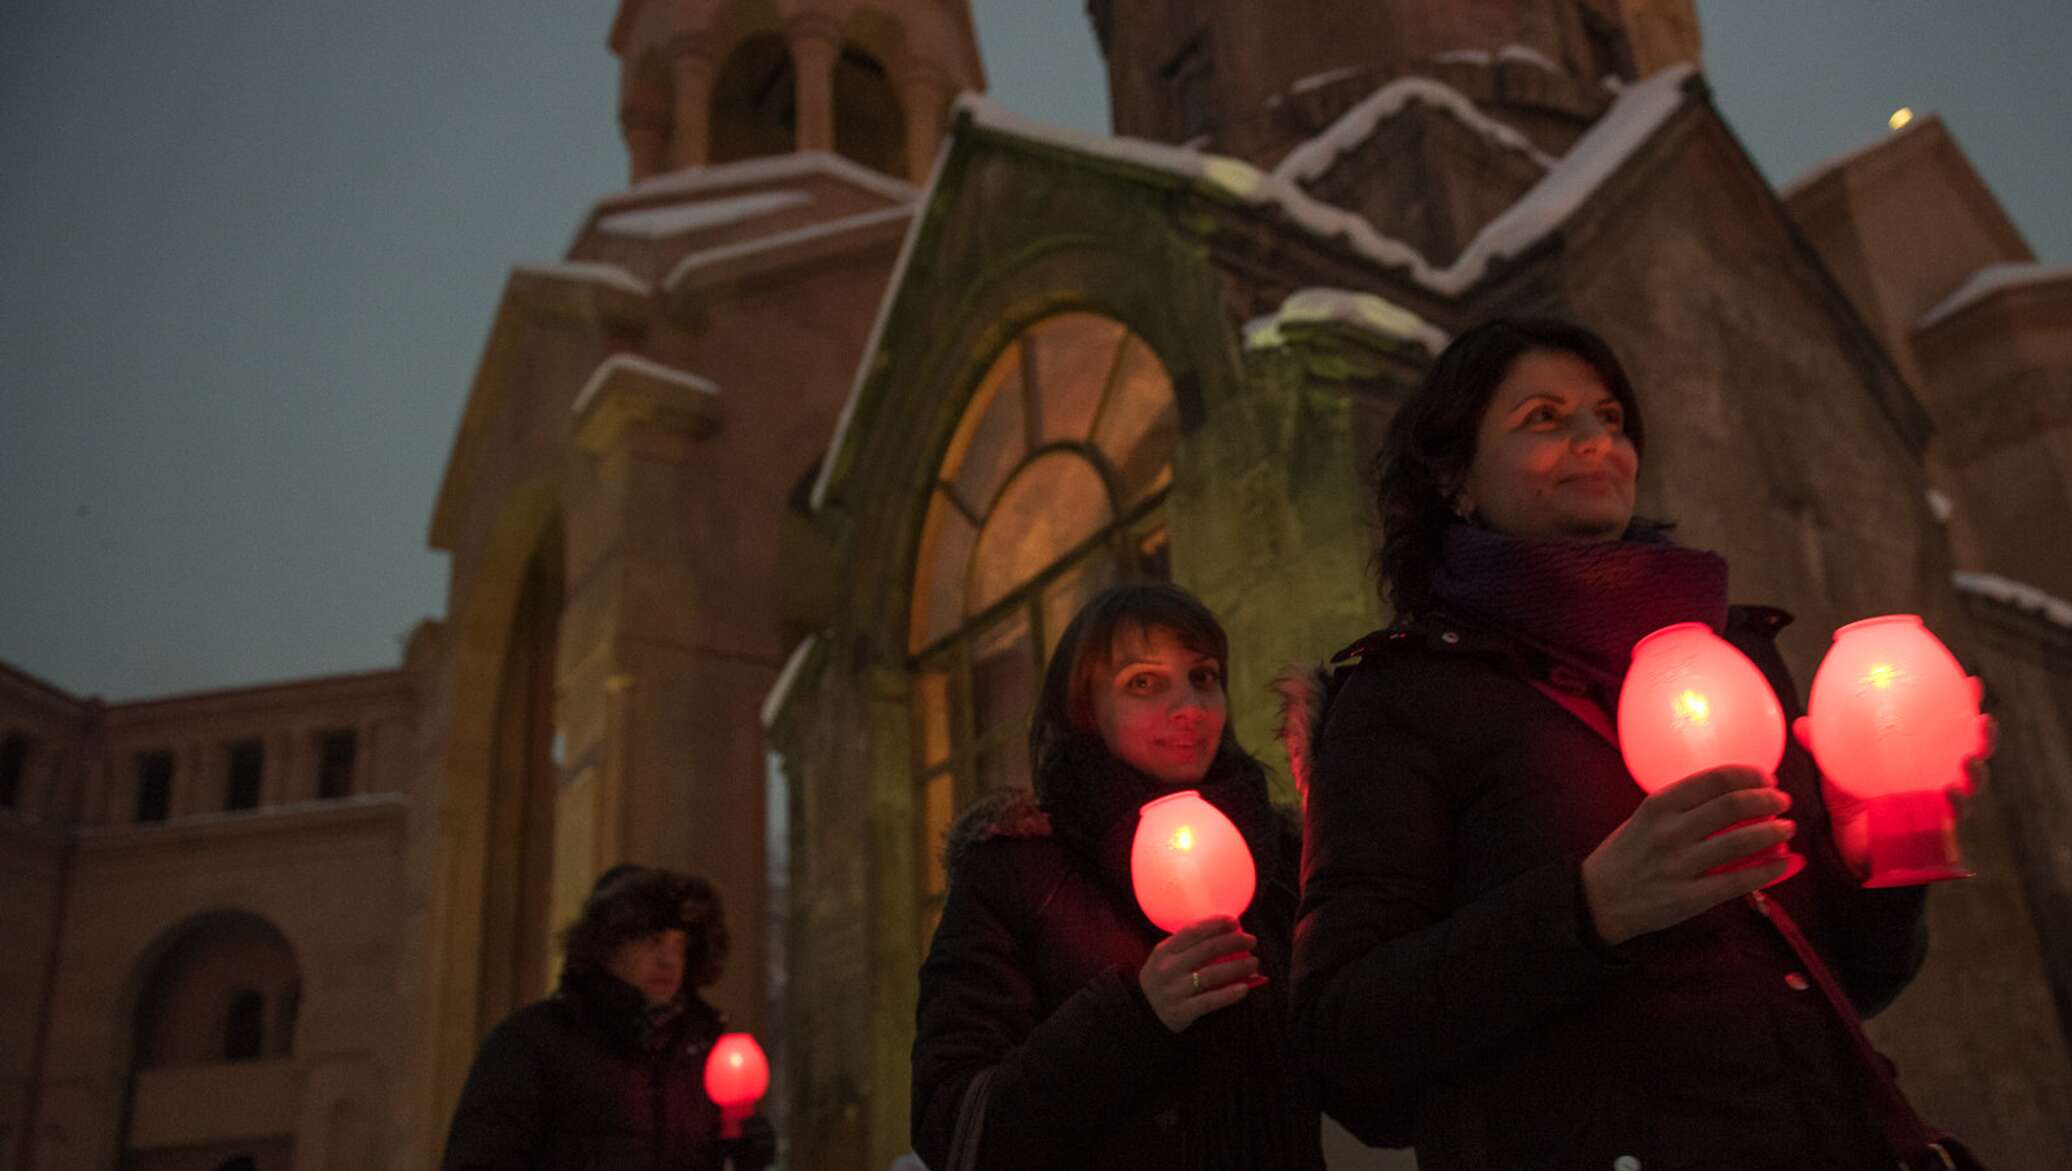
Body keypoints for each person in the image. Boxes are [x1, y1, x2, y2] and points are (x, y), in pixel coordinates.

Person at [1286, 318, 1992, 1170]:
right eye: (1544, 418)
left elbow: (1853, 982)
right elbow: (1346, 1045)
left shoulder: (1732, 660)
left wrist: (1869, 857)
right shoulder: (1405, 699)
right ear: (1455, 479)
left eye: (1611, 417)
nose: (1597, 441)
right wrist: (1590, 909)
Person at [910, 583, 1333, 1170]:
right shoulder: (1016, 870)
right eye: (1143, 682)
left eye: (1203, 677)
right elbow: (954, 1125)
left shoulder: (1284, 860)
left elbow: (1364, 1086)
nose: (1188, 707)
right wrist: (1136, 1014)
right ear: (1086, 707)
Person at [442, 865, 777, 1171]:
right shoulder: (533, 1045)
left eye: (680, 944)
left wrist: (742, 1152)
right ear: (608, 945)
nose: (668, 960)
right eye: (653, 941)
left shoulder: (700, 1052)